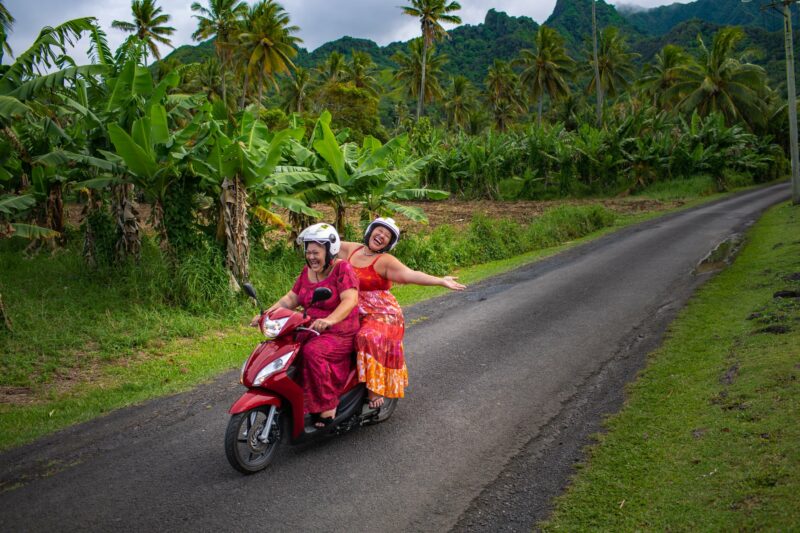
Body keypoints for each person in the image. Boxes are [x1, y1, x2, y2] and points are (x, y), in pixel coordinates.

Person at [338, 217, 465, 409]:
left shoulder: (385, 261)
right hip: (351, 308)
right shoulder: (351, 249)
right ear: (370, 231)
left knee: (367, 337)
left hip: (382, 314)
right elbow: (326, 243)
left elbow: (410, 274)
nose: (381, 236)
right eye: (379, 231)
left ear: (389, 243)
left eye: (387, 236)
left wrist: (440, 280)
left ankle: (375, 389)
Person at [262, 223, 359, 427]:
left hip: (338, 332)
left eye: (316, 252)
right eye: (308, 252)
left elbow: (350, 300)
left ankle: (327, 405)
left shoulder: (342, 268)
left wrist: (330, 319)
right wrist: (266, 314)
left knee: (313, 352)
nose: (311, 257)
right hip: (310, 327)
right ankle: (291, 399)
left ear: (330, 250)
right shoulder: (307, 270)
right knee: (282, 348)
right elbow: (291, 298)